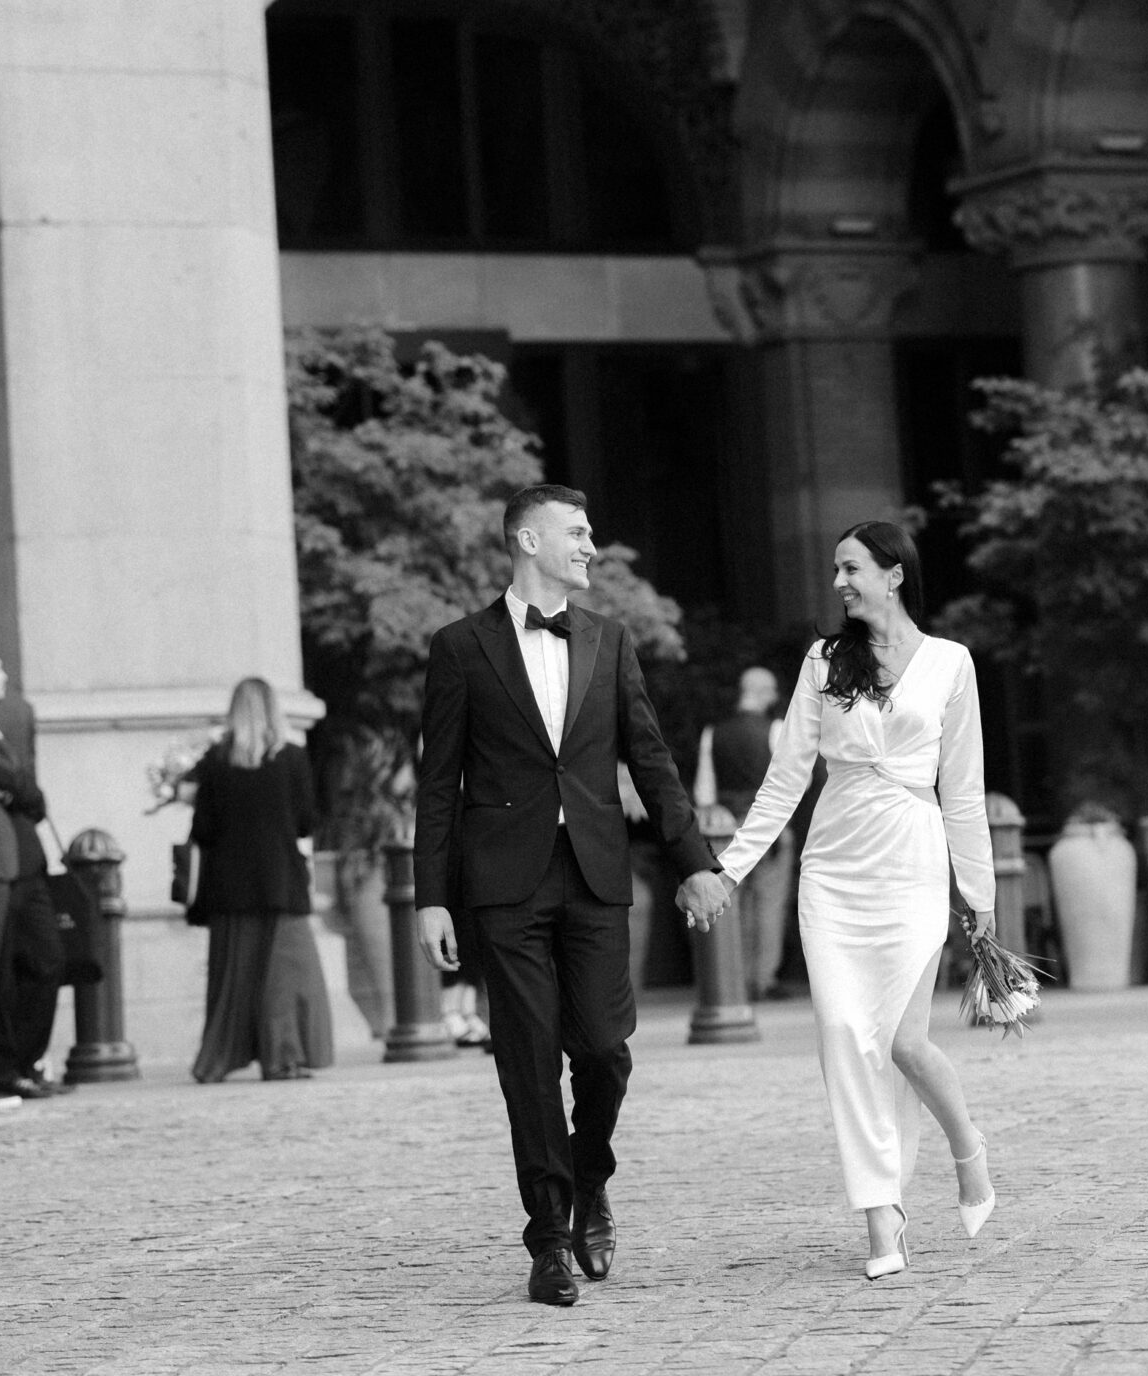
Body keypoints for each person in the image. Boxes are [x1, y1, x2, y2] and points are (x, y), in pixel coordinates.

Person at [414, 483, 729, 1309]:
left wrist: (694, 859)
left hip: (593, 874)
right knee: (525, 1062)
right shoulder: (459, 647)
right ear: (527, 539)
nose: (590, 546)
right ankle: (548, 1237)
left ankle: (591, 1179)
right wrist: (430, 897)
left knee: (602, 1050)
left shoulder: (609, 641)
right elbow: (436, 784)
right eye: (577, 533)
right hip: (502, 884)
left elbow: (651, 761)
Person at [713, 519, 998, 1280]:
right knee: (844, 1032)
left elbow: (962, 790)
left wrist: (980, 896)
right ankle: (881, 1218)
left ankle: (967, 1149)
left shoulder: (950, 664)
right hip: (834, 865)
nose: (838, 582)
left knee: (902, 1043)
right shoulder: (821, 661)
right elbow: (785, 777)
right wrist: (732, 869)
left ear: (893, 573)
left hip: (910, 856)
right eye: (835, 569)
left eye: (850, 568)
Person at [187, 677, 334, 1083]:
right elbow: (306, 822)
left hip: (229, 888)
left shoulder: (216, 761)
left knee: (232, 980)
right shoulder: (292, 758)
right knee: (283, 977)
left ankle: (216, 1060)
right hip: (280, 881)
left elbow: (204, 828)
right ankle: (281, 1057)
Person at [0, 639, 65, 1101]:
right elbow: (16, 780)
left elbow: (26, 789)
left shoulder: (12, 717)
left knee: (47, 959)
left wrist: (18, 791)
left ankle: (23, 1059)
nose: (4, 679)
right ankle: (0, 1067)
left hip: (25, 855)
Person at [694, 666, 792, 998]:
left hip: (725, 826)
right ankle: (763, 979)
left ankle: (732, 979)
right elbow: (794, 783)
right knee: (768, 902)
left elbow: (704, 792)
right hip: (768, 825)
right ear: (763, 691)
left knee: (730, 901)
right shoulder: (775, 729)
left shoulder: (713, 732)